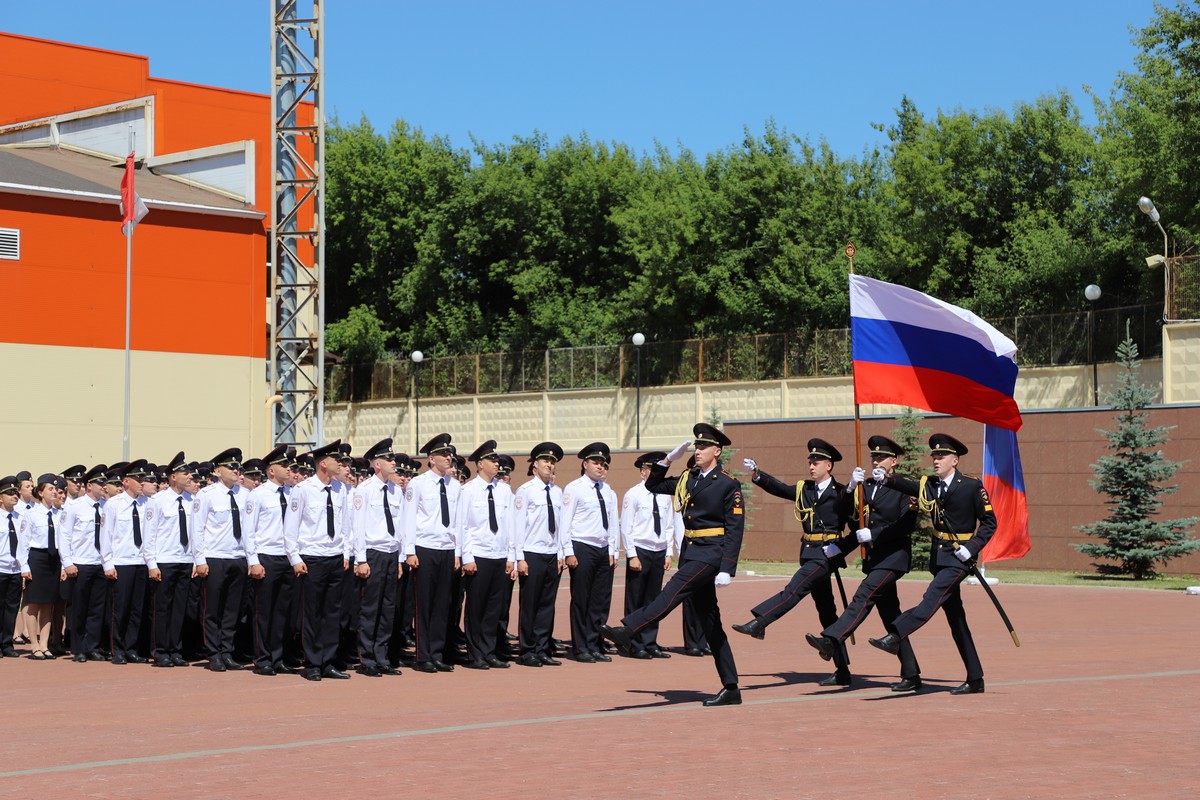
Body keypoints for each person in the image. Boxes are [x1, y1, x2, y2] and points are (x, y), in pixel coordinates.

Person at [602, 423, 746, 706]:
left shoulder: (728, 483)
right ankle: (731, 687)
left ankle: (629, 630)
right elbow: (652, 484)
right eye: (697, 446)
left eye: (704, 446)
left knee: (673, 590)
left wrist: (728, 567)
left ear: (717, 451)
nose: (699, 450)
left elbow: (735, 528)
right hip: (692, 552)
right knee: (711, 623)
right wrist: (667, 460)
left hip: (711, 553)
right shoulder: (688, 478)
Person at [869, 433, 996, 695]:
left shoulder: (971, 486)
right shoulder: (931, 484)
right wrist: (887, 478)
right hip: (940, 556)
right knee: (956, 619)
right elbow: (909, 486)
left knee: (932, 596)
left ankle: (895, 635)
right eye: (934, 456)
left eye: (941, 456)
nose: (936, 460)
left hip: (959, 557)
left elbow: (990, 522)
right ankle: (975, 678)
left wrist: (971, 547)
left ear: (955, 460)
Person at [805, 436, 923, 692]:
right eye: (874, 457)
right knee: (892, 617)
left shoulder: (906, 488)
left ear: (893, 462)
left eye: (882, 458)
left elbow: (906, 525)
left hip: (893, 558)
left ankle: (832, 638)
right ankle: (912, 674)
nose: (876, 461)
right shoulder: (866, 486)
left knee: (863, 595)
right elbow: (847, 517)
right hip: (874, 559)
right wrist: (849, 489)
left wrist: (876, 533)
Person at [732, 438, 853, 687]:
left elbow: (857, 526)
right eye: (810, 461)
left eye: (816, 462)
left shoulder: (842, 492)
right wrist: (757, 474)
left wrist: (840, 547)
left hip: (826, 555)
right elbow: (780, 488)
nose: (811, 466)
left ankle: (760, 622)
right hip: (809, 552)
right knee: (827, 611)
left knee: (795, 588)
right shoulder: (804, 489)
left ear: (828, 465)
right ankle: (842, 671)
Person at [284, 440, 352, 681]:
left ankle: (328, 661)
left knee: (333, 612)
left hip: (334, 557)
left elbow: (345, 525)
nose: (341, 464)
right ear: (323, 464)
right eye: (336, 460)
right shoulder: (303, 490)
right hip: (312, 557)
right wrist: (295, 558)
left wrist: (345, 553)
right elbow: (290, 527)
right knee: (312, 612)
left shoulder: (341, 489)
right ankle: (313, 662)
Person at [405, 433, 463, 673]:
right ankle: (423, 655)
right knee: (425, 604)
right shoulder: (418, 484)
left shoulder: (455, 485)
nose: (449, 458)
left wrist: (458, 552)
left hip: (447, 548)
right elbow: (408, 518)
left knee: (443, 604)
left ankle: (437, 654)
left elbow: (458, 522)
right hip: (425, 548)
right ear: (432, 459)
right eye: (444, 455)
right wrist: (409, 550)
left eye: (450, 455)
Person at [620, 451, 683, 659]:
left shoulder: (665, 494)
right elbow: (626, 527)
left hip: (658, 551)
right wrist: (632, 555)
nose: (655, 473)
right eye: (651, 469)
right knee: (636, 599)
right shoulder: (634, 494)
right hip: (641, 550)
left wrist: (668, 552)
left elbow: (668, 525)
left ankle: (650, 641)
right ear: (642, 472)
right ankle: (633, 643)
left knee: (654, 600)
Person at [560, 442, 619, 663]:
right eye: (596, 462)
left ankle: (595, 644)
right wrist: (568, 552)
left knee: (600, 601)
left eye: (604, 463)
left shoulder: (609, 491)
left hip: (603, 549)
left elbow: (614, 523)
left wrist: (613, 550)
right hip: (582, 546)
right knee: (582, 599)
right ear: (585, 464)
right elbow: (565, 522)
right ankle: (581, 646)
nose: (600, 467)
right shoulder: (574, 488)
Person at [350, 438, 403, 677]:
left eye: (393, 458)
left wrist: (401, 558)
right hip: (372, 553)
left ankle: (382, 656)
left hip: (391, 553)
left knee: (388, 608)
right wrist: (360, 559)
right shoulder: (364, 491)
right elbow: (358, 527)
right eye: (388, 459)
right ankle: (367, 658)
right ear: (376, 464)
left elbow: (400, 526)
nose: (393, 462)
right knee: (370, 608)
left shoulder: (395, 490)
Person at [192, 448, 248, 672]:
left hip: (238, 556)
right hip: (215, 558)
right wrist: (200, 560)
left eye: (237, 467)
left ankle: (227, 651)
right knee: (212, 609)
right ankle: (213, 653)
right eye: (231, 467)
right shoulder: (206, 495)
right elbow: (197, 529)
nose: (236, 471)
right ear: (217, 471)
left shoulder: (244, 495)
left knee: (232, 610)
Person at [243, 444, 297, 676]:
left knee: (283, 612)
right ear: (271, 470)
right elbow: (249, 531)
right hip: (266, 557)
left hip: (287, 558)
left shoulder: (292, 493)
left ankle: (278, 657)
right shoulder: (258, 495)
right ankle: (263, 658)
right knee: (264, 611)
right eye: (283, 465)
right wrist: (253, 560)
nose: (289, 469)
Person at [512, 442, 564, 668]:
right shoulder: (526, 490)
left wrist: (561, 552)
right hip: (532, 553)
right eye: (545, 461)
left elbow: (561, 526)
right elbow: (518, 525)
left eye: (552, 462)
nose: (549, 465)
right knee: (530, 604)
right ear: (535, 464)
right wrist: (520, 557)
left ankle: (542, 648)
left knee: (547, 605)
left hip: (551, 553)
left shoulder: (557, 491)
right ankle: (528, 650)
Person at [142, 452, 194, 668]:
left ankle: (175, 649)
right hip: (164, 560)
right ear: (173, 476)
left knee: (180, 607)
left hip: (185, 559)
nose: (189, 476)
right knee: (162, 607)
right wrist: (151, 564)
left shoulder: (192, 500)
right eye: (185, 473)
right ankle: (161, 650)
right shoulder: (158, 501)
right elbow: (149, 534)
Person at [100, 460, 150, 664]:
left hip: (141, 561)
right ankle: (117, 649)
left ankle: (131, 648)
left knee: (137, 609)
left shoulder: (147, 503)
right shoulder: (114, 505)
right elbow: (106, 536)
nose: (142, 482)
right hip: (121, 562)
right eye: (138, 479)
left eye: (143, 479)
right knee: (119, 609)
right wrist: (108, 564)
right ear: (126, 481)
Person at [0, 476, 25, 658]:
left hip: (15, 569)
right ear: (0, 497)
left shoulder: (20, 518)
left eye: (15, 493)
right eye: (9, 493)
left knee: (11, 608)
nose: (14, 496)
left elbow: (24, 545)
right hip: (0, 568)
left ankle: (7, 644)